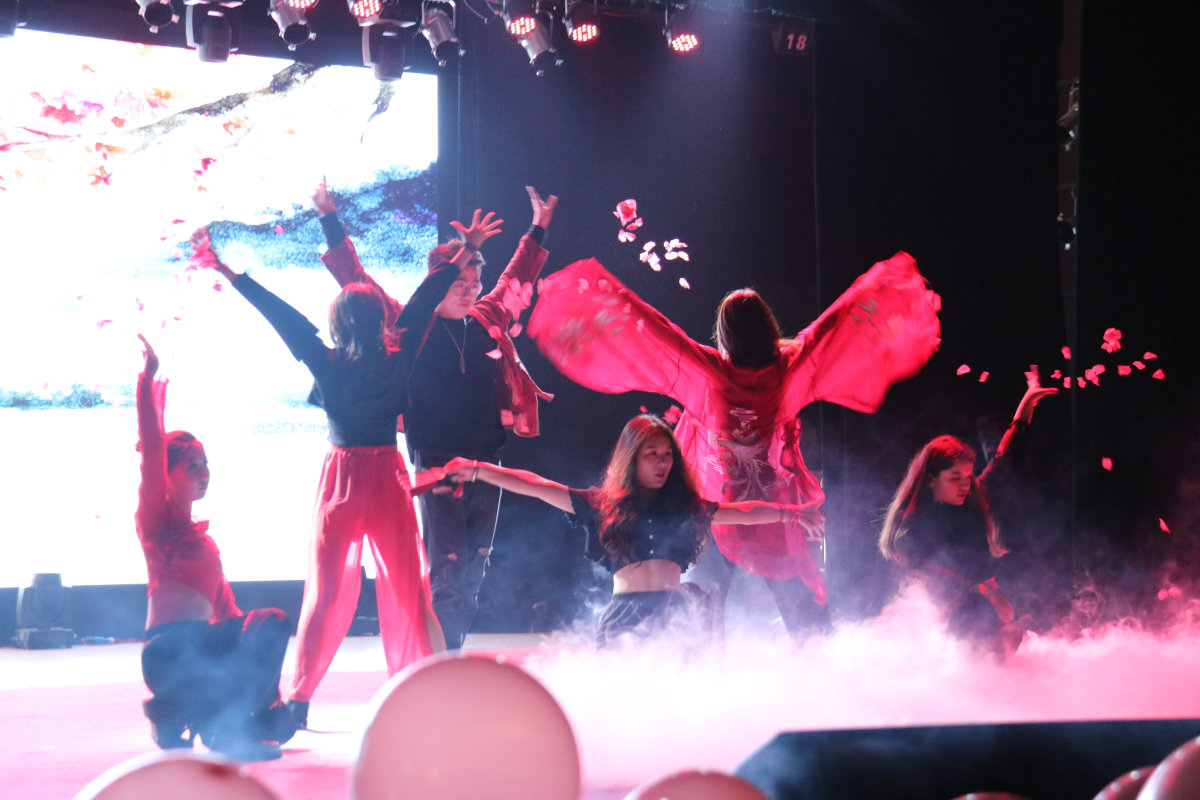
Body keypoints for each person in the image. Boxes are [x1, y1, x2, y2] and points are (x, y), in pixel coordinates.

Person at [527, 253, 941, 639]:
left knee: (704, 604)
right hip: (767, 510)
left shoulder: (708, 373)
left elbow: (657, 333)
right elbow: (832, 329)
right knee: (793, 602)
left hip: (714, 506)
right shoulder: (789, 370)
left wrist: (596, 299)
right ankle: (819, 664)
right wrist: (885, 292)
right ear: (767, 329)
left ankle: (707, 672)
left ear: (725, 334)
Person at [194, 224, 475, 727]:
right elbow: (422, 303)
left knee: (324, 596)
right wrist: (466, 251)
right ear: (381, 322)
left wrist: (229, 272)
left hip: (342, 480)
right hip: (386, 477)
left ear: (338, 325)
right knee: (411, 592)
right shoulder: (399, 356)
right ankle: (430, 689)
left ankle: (300, 700)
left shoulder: (325, 361)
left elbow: (282, 316)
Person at [315, 182, 558, 649]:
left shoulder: (486, 319)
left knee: (475, 566)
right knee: (447, 567)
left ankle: (449, 651)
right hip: (437, 463)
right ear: (438, 283)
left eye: (475, 285)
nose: (469, 293)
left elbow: (517, 278)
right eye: (458, 285)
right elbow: (353, 277)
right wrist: (329, 217)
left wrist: (538, 229)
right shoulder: (409, 324)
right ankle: (440, 662)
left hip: (487, 463)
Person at [442, 414, 823, 647]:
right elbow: (538, 485)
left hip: (676, 612)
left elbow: (741, 512)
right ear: (632, 457)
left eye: (667, 454)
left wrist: (790, 513)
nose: (662, 462)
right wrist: (479, 470)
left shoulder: (685, 505)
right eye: (651, 454)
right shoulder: (601, 504)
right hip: (627, 616)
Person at [135, 335, 294, 761]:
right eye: (192, 467)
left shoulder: (205, 545)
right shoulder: (157, 522)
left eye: (206, 465)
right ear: (167, 476)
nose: (204, 474)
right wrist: (146, 384)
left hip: (202, 651)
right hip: (170, 653)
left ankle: (182, 715)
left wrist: (270, 695)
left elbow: (231, 615)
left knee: (271, 630)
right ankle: (218, 728)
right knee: (267, 629)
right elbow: (152, 451)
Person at [878, 366, 1057, 656]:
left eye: (967, 476)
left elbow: (1005, 458)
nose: (965, 484)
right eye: (954, 477)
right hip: (955, 623)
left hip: (982, 612)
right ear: (932, 479)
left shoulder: (974, 496)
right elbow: (932, 586)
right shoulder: (916, 524)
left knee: (1006, 636)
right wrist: (988, 596)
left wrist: (1027, 403)